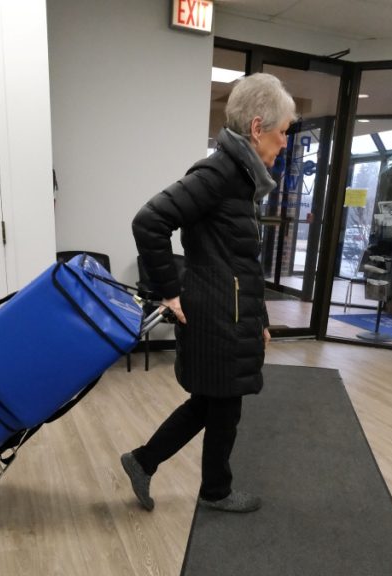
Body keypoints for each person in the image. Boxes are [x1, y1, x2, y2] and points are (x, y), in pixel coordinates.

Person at [122, 73, 295, 514]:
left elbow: (241, 262)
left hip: (230, 313)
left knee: (213, 404)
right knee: (221, 405)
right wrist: (168, 291)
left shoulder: (242, 178)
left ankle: (145, 462)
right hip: (216, 314)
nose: (284, 142)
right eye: (282, 132)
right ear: (257, 128)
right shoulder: (218, 173)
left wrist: (259, 321)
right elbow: (149, 222)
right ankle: (213, 490)